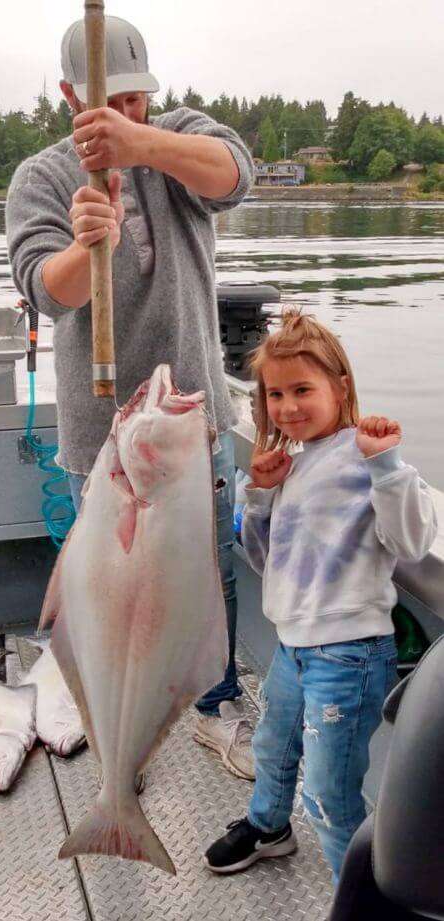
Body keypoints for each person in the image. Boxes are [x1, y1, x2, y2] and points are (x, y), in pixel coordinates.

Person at [6, 16, 256, 778]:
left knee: (206, 575)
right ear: (68, 94)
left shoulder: (177, 137)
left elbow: (235, 173)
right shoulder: (41, 179)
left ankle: (218, 708)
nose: (125, 113)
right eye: (106, 101)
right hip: (102, 438)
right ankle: (119, 725)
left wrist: (141, 146)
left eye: (136, 101)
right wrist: (88, 248)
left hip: (191, 425)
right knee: (109, 601)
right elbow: (45, 292)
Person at [203, 310, 438, 883]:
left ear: (341, 387)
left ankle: (357, 894)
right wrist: (259, 494)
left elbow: (410, 539)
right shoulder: (294, 465)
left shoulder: (366, 457)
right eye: (275, 394)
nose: (287, 407)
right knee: (273, 748)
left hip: (349, 656)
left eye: (302, 390)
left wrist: (387, 465)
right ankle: (268, 827)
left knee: (331, 795)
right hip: (293, 646)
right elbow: (264, 562)